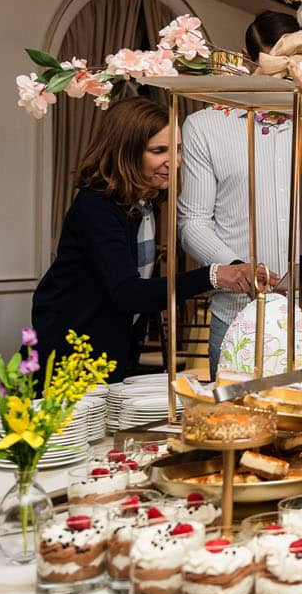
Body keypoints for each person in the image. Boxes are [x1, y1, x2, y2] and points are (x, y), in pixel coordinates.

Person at [32, 98, 266, 383]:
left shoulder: (145, 204)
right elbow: (128, 293)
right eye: (158, 151)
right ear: (126, 151)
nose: (174, 161)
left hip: (108, 351)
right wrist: (213, 275)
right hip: (67, 352)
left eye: (177, 149)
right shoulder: (95, 205)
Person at [178, 11, 302, 374]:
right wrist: (235, 267)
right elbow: (193, 221)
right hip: (238, 318)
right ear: (246, 59)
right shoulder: (204, 127)